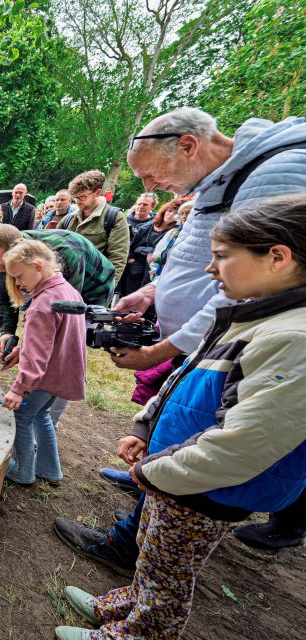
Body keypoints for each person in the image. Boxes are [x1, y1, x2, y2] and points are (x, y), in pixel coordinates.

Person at [54, 109, 306, 574]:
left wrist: (158, 351)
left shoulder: (274, 176)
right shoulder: (218, 178)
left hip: (219, 352)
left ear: (188, 146)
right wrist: (153, 293)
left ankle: (132, 538)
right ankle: (150, 477)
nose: (149, 187)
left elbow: (238, 295)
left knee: (194, 435)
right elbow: (199, 262)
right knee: (172, 417)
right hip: (200, 351)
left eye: (152, 173)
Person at [0, 239, 85, 486]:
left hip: (44, 377)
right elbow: (50, 338)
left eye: (18, 276)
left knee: (22, 416)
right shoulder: (66, 290)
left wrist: (19, 389)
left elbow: (37, 357)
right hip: (63, 373)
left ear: (38, 265)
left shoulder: (41, 305)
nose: (17, 283)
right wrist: (23, 347)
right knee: (42, 414)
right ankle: (49, 469)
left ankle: (23, 472)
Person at [118, 196, 184, 297]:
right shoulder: (147, 226)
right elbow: (132, 246)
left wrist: (152, 254)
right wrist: (133, 257)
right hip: (135, 267)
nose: (170, 215)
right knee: (130, 292)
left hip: (154, 268)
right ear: (164, 211)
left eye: (175, 213)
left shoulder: (175, 233)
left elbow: (166, 252)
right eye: (169, 211)